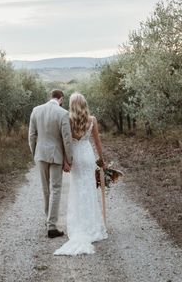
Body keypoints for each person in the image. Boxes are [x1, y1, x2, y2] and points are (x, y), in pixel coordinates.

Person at [54, 92, 108, 256]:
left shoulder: (68, 120)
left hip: (75, 157)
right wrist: (102, 159)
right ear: (84, 104)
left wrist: (66, 160)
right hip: (87, 155)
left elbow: (65, 142)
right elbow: (97, 141)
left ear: (71, 105)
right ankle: (91, 225)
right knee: (90, 190)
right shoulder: (92, 120)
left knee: (77, 190)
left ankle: (78, 226)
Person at [29, 89, 74, 238]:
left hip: (41, 154)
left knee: (45, 189)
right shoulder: (63, 113)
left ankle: (49, 220)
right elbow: (67, 138)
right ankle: (52, 226)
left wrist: (35, 152)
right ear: (61, 99)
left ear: (50, 97)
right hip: (56, 155)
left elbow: (31, 135)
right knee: (55, 189)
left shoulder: (36, 110)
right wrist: (69, 159)